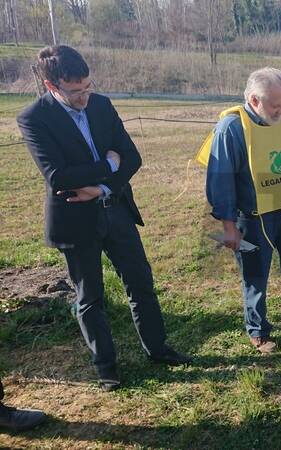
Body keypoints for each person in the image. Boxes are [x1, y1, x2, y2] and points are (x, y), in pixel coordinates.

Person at [17, 45, 192, 392]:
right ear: (52, 86)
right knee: (90, 296)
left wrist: (101, 187)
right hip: (75, 221)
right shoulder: (34, 118)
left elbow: (133, 158)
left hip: (116, 210)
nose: (84, 96)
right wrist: (108, 166)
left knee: (141, 282)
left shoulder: (102, 105)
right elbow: (58, 177)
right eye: (75, 91)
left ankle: (157, 348)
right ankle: (106, 367)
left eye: (88, 87)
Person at [199, 68, 281, 354]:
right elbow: (220, 181)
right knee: (256, 276)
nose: (280, 110)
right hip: (253, 217)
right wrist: (229, 226)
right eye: (274, 105)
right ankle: (258, 330)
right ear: (254, 100)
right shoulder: (231, 129)